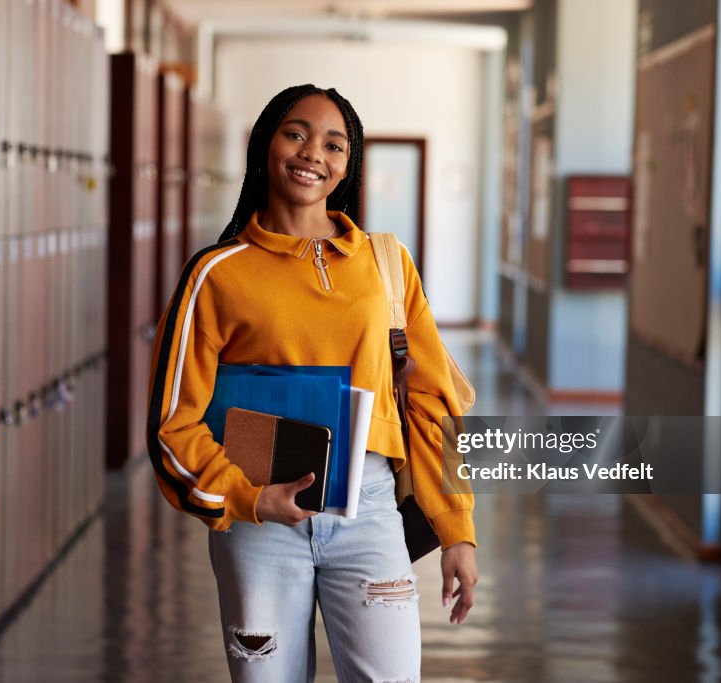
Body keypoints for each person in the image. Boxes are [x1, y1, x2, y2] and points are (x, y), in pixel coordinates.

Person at [147, 84, 477, 682]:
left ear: (348, 165)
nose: (312, 154)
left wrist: (456, 528)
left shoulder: (386, 263)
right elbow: (173, 424)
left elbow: (431, 402)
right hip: (259, 520)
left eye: (334, 144)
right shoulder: (216, 273)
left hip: (371, 509)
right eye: (295, 133)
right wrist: (246, 496)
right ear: (266, 144)